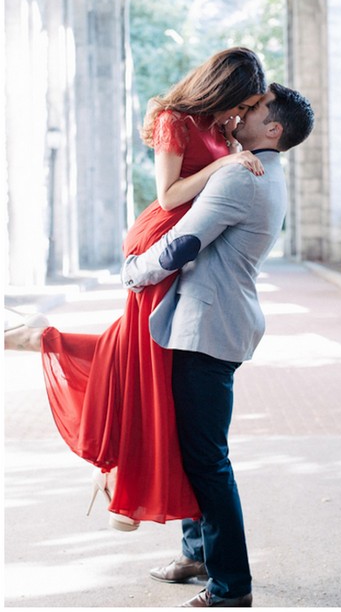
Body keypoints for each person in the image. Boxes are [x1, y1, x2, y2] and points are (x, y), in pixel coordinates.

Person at [4, 47, 267, 531]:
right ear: (224, 90)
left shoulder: (216, 128)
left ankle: (114, 466)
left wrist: (229, 146)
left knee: (140, 355)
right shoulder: (174, 120)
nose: (242, 114)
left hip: (182, 243)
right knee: (144, 356)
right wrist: (224, 165)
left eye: (248, 110)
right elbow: (169, 195)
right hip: (160, 237)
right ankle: (119, 472)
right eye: (242, 104)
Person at [121, 83, 314, 608]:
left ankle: (231, 587)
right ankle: (195, 553)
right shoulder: (259, 169)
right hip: (215, 322)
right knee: (195, 449)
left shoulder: (242, 178)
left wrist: (135, 271)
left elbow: (185, 243)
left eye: (253, 109)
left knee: (207, 459)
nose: (242, 112)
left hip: (209, 328)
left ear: (273, 130)